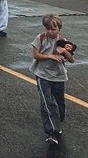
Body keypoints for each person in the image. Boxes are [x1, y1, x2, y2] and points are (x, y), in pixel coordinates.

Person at [30, 14, 75, 145]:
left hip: (58, 76)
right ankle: (52, 132)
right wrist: (50, 56)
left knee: (59, 104)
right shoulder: (40, 38)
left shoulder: (63, 41)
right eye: (48, 28)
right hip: (42, 74)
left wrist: (64, 52)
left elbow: (71, 60)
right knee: (47, 102)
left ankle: (57, 122)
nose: (50, 31)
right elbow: (36, 55)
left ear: (59, 29)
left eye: (53, 29)